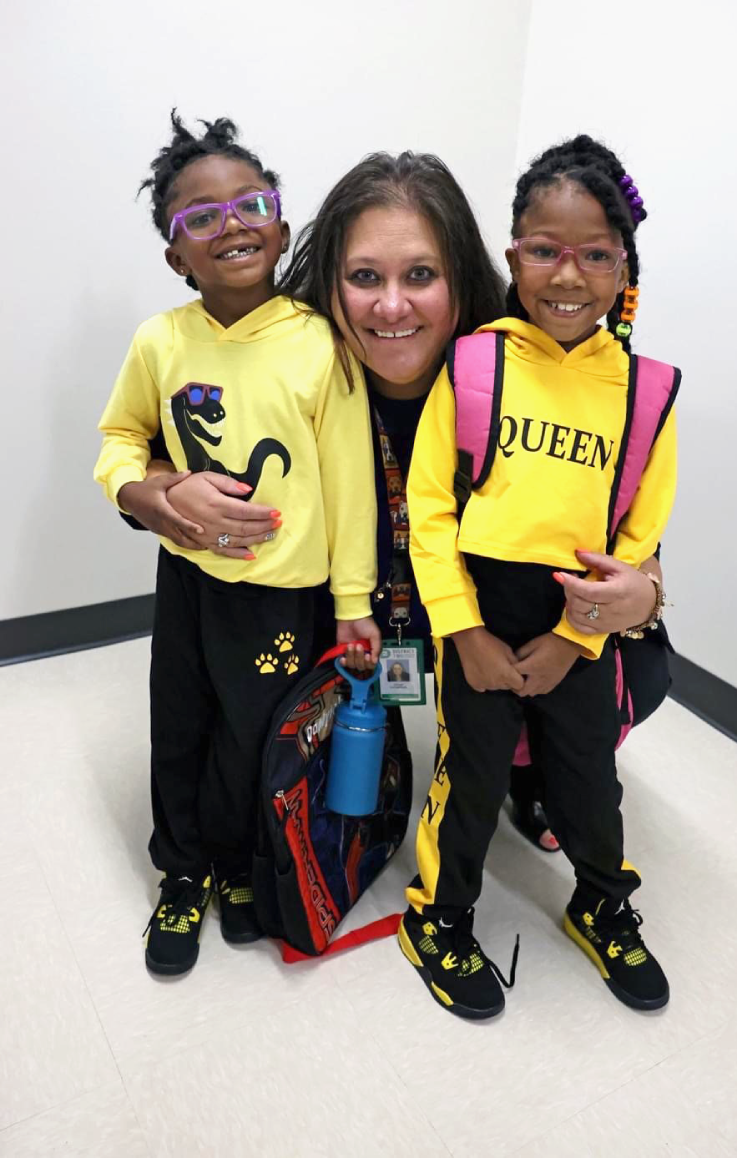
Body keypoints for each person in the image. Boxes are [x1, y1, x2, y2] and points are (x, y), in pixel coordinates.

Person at [143, 151, 671, 848]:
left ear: (462, 279)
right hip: (341, 613)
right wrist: (160, 492)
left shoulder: (519, 371)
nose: (391, 306)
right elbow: (149, 445)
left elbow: (623, 522)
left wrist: (645, 594)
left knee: (630, 662)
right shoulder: (289, 360)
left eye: (420, 275)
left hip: (494, 609)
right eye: (365, 277)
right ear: (328, 283)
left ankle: (531, 761)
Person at [400, 134, 679, 1020]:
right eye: (545, 251)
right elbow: (430, 506)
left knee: (587, 782)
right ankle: (438, 920)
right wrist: (464, 630)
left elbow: (639, 533)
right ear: (512, 252)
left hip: (579, 619)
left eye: (595, 254)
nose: (569, 275)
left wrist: (576, 637)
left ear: (624, 266)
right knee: (470, 776)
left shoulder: (647, 390)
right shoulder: (474, 361)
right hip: (478, 608)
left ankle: (601, 903)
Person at [94, 113, 380, 977]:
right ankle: (182, 874)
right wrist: (149, 494)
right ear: (176, 253)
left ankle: (239, 867)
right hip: (189, 582)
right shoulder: (161, 341)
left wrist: (354, 605)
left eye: (251, 204)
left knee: (256, 738)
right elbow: (118, 439)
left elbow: (351, 486)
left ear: (283, 226)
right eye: (199, 217)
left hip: (286, 594)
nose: (232, 225)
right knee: (180, 726)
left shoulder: (322, 346)